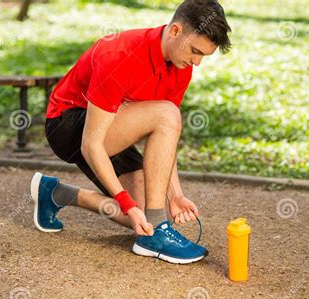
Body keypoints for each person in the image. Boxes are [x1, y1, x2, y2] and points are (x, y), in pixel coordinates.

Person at [30, 0, 231, 264]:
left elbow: (164, 135)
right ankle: (156, 236)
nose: (197, 62)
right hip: (69, 127)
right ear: (174, 31)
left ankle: (56, 193)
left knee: (148, 214)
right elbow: (92, 144)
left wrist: (176, 194)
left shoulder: (181, 66)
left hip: (115, 128)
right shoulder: (120, 54)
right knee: (167, 114)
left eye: (203, 55)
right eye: (195, 51)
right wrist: (125, 202)